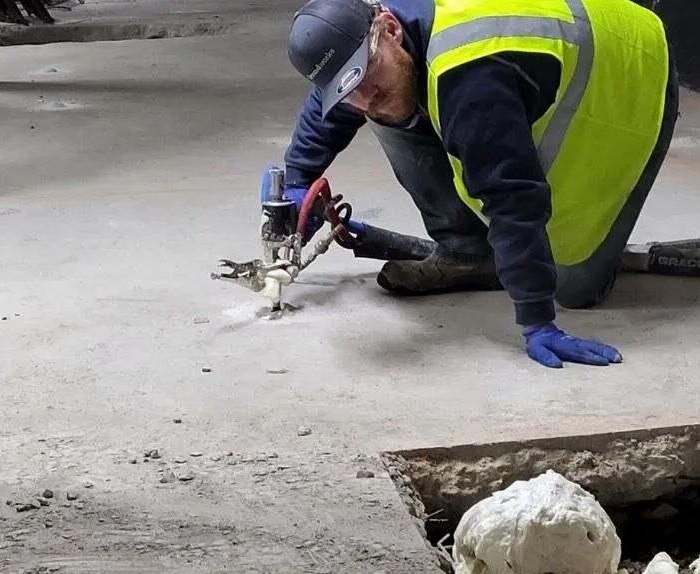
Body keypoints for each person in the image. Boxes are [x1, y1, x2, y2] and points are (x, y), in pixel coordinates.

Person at [281, 0, 678, 368]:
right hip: (521, 62)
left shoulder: (468, 76)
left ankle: (531, 260)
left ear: (389, 29)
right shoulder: (374, 33)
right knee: (389, 107)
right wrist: (299, 178)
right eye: (346, 89)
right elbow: (334, 97)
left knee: (573, 289)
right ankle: (470, 253)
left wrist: (538, 321)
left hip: (631, 75)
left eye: (364, 73)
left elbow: (512, 198)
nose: (364, 96)